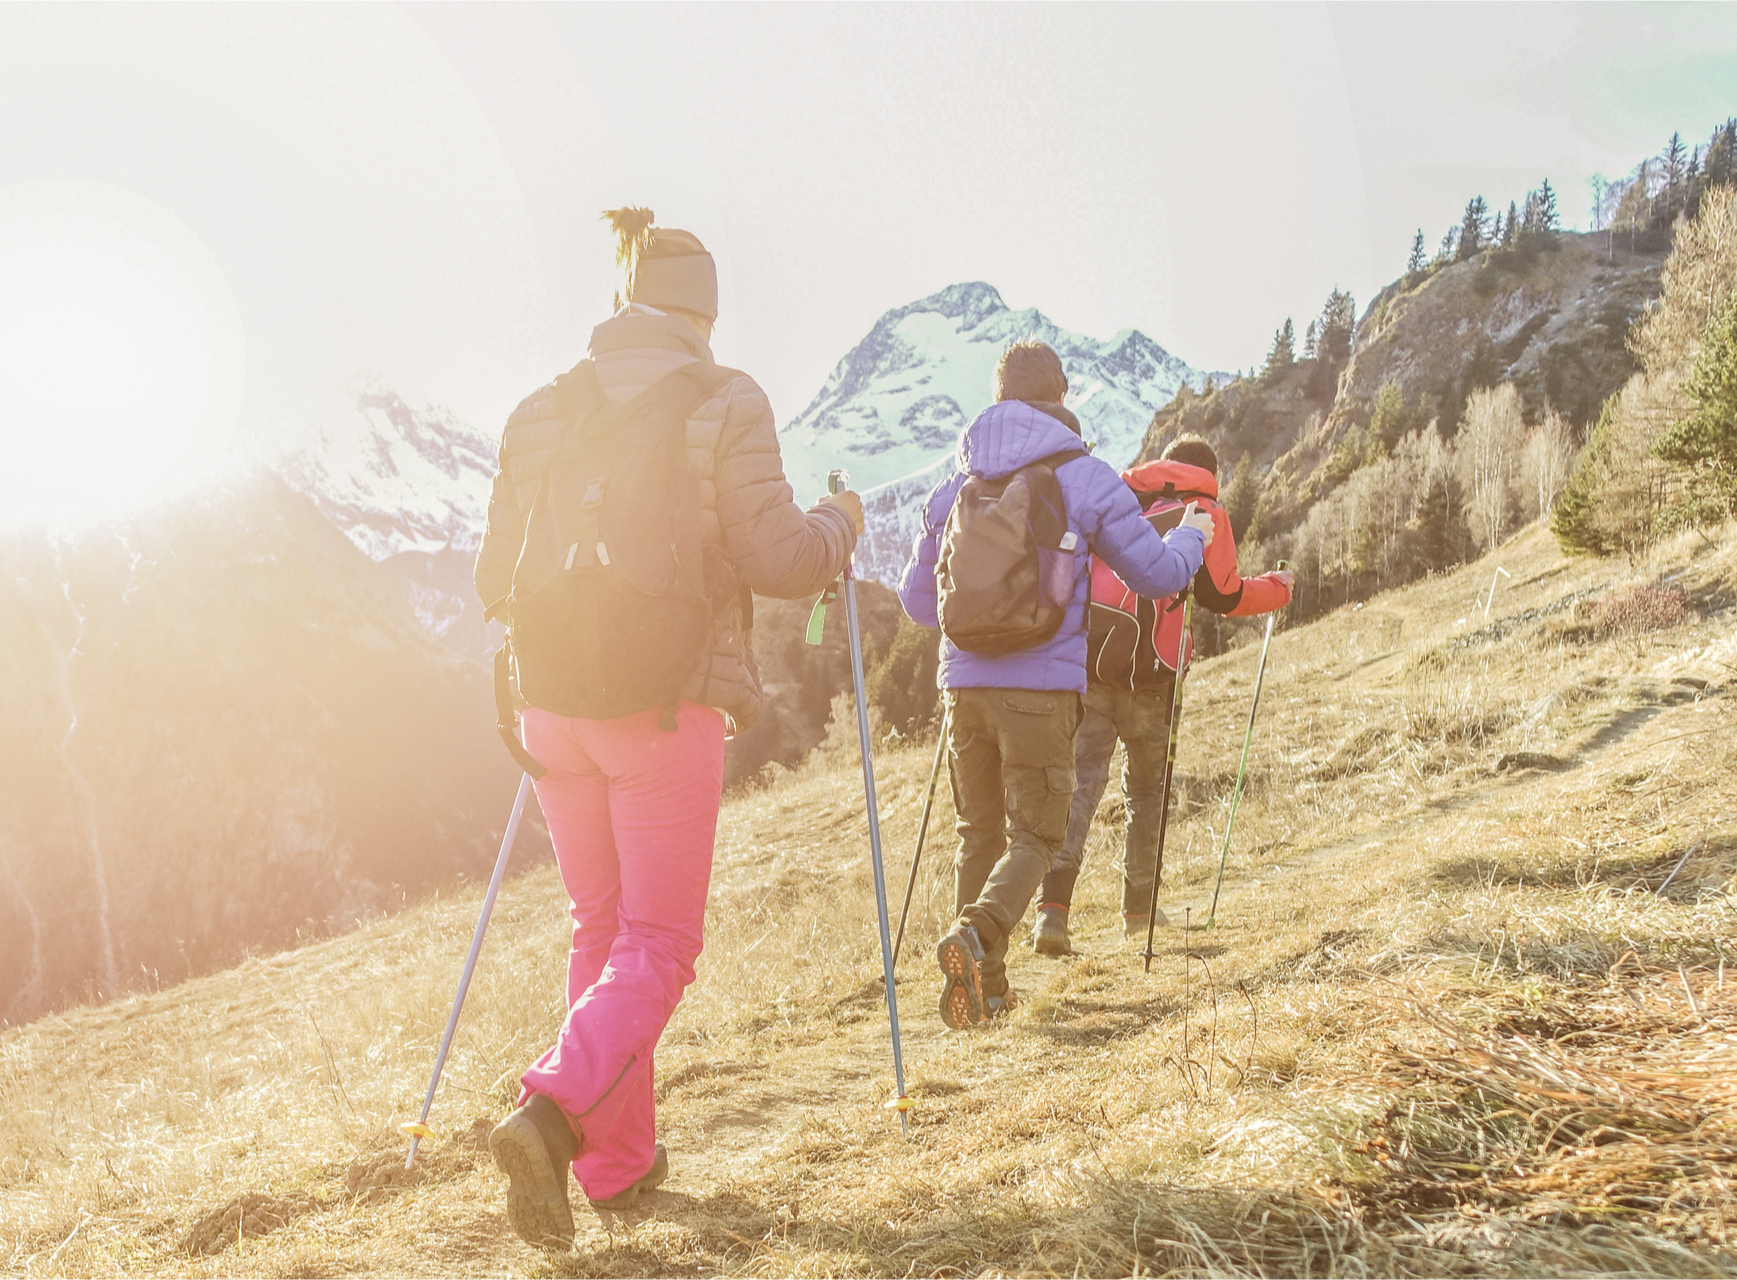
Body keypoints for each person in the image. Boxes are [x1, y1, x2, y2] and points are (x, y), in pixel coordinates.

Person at [473, 208, 861, 1249]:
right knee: (660, 942)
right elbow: (782, 558)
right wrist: (844, 526)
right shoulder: (727, 399)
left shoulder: (540, 409)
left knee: (600, 927)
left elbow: (488, 579)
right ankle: (552, 1116)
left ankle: (616, 1162)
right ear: (705, 313)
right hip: (662, 701)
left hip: (551, 708)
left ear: (622, 302)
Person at [898, 341, 1214, 1029]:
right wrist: (1193, 537)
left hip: (962, 688)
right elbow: (1157, 577)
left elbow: (919, 606)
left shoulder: (955, 486)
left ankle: (987, 993)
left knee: (977, 835)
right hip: (1040, 690)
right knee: (1037, 836)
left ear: (999, 396)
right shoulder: (1086, 476)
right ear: (1061, 397)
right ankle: (979, 936)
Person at [1031, 434, 1292, 956]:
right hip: (1156, 675)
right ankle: (1138, 912)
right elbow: (1224, 594)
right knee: (1146, 794)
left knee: (1080, 785)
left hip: (1095, 664)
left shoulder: (1120, 497)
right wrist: (1278, 587)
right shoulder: (1205, 510)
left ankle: (1052, 913)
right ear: (1209, 471)